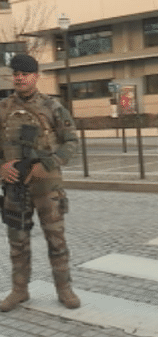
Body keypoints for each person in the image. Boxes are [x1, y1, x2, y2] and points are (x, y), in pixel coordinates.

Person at [0, 54, 80, 311]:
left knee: (56, 240)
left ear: (36, 76)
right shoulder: (3, 109)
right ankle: (19, 290)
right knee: (17, 242)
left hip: (47, 188)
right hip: (15, 187)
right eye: (16, 74)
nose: (19, 77)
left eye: (25, 73)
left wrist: (49, 163)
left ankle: (64, 289)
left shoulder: (52, 107)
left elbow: (71, 143)